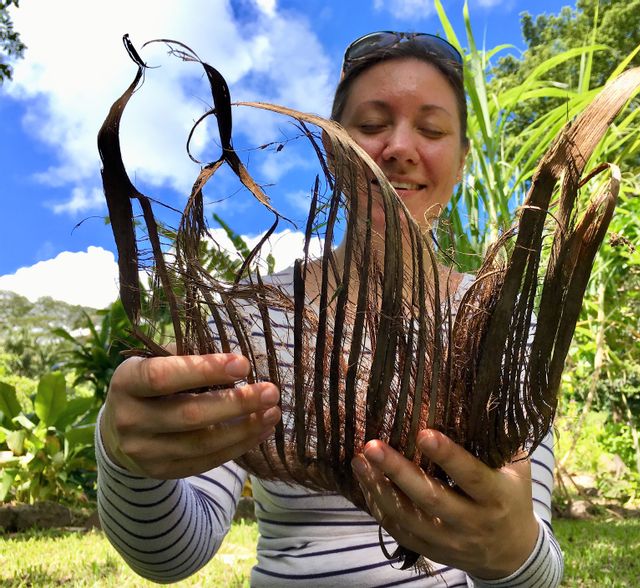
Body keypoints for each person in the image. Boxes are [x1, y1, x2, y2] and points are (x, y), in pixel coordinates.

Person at [96, 31, 564, 587]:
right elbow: (173, 555)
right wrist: (125, 459)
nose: (400, 147)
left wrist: (513, 554)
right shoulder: (254, 316)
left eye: (433, 129)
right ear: (335, 149)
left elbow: (537, 563)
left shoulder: (503, 327)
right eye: (370, 125)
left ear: (461, 161)